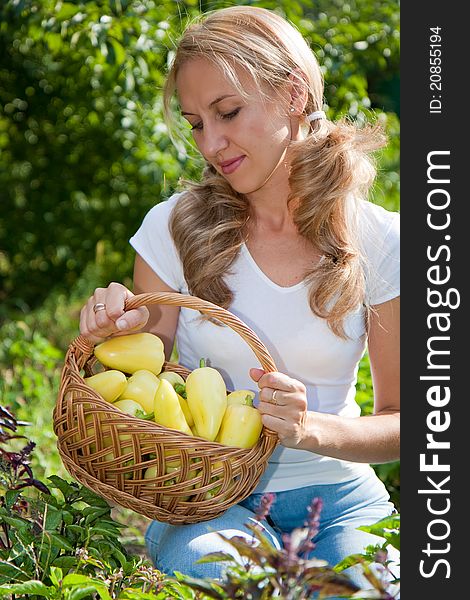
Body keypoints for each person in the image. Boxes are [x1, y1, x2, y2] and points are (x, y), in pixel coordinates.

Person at [79, 5, 400, 592]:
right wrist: (108, 336)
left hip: (343, 501)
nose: (211, 143)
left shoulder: (382, 240)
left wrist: (312, 430)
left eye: (228, 112)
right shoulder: (171, 227)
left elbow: (410, 422)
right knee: (228, 578)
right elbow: (145, 382)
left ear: (293, 95)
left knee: (369, 590)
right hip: (205, 498)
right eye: (196, 122)